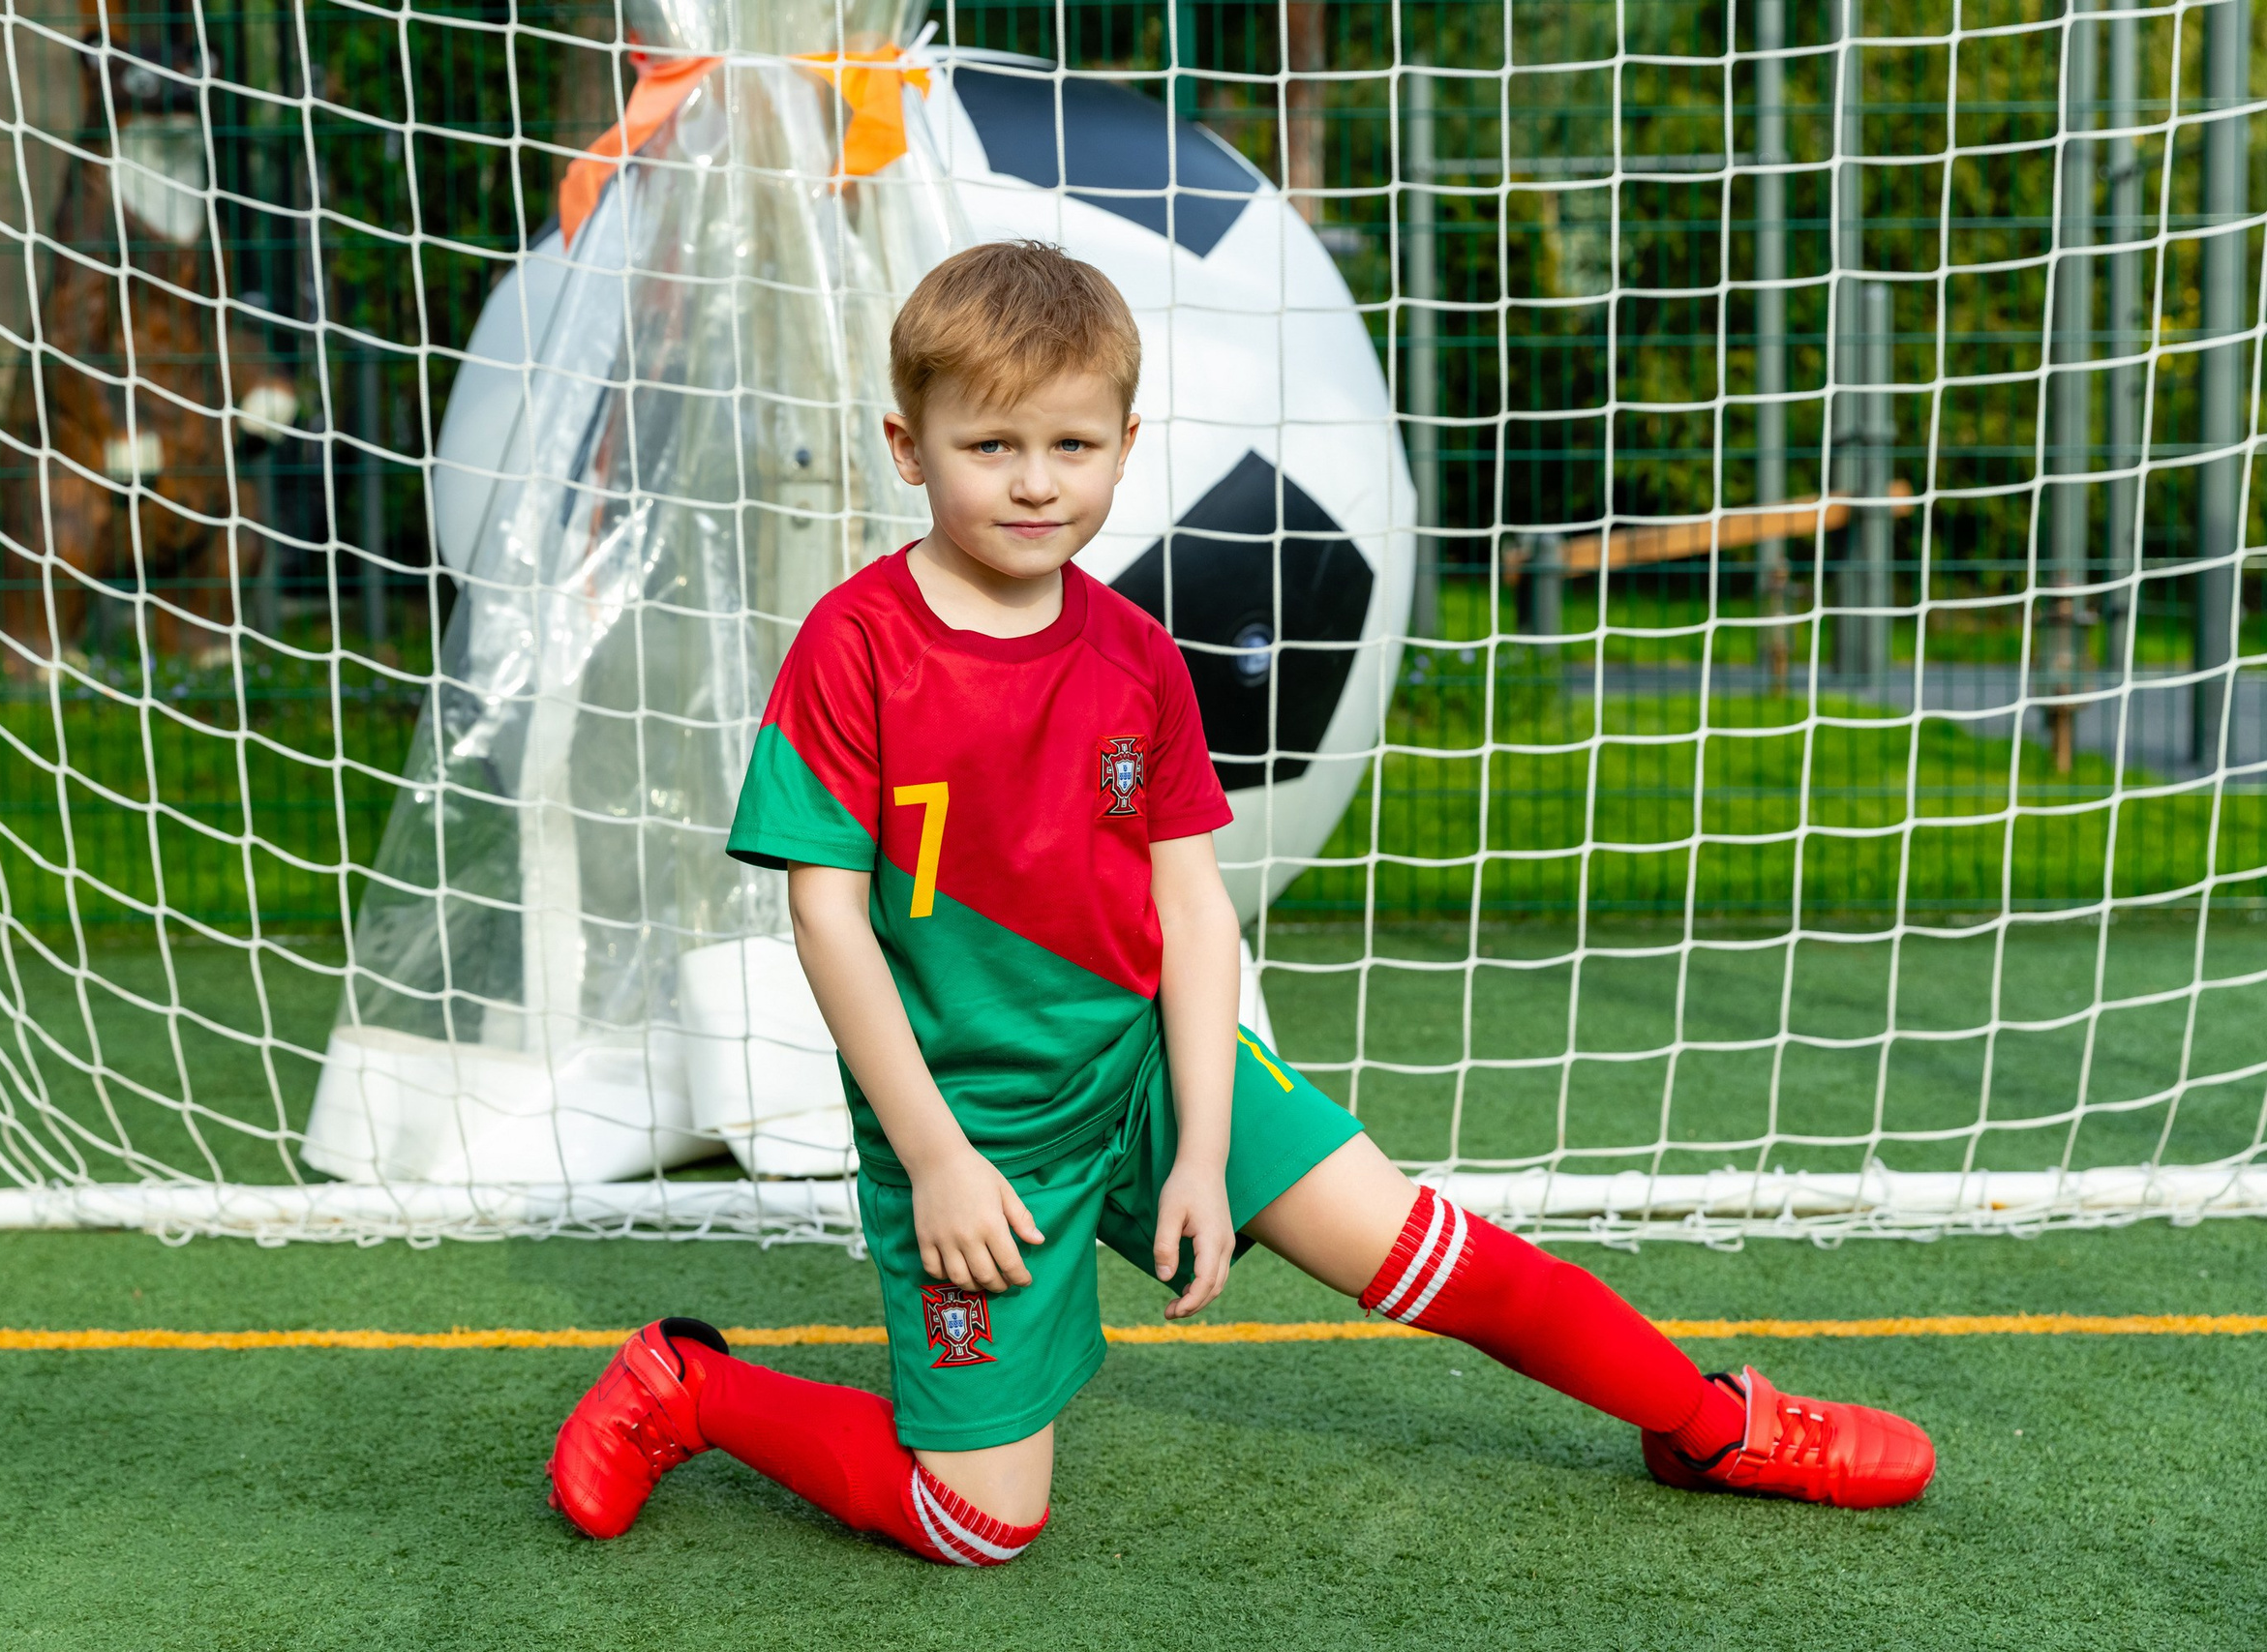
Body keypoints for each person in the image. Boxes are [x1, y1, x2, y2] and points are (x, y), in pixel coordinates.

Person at [545, 241, 1935, 1566]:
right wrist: (939, 1158)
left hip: (1146, 1069)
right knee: (977, 1526)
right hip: (976, 1131)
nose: (1036, 484)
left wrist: (1204, 1151)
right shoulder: (853, 650)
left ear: (1125, 449)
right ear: (910, 449)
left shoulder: (1137, 660)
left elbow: (1195, 912)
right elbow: (828, 919)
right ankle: (693, 1387)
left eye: (1072, 446)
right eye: (992, 446)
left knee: (1426, 1249)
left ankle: (1711, 1426)